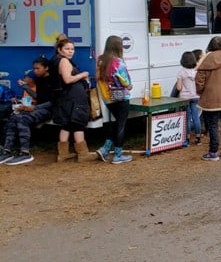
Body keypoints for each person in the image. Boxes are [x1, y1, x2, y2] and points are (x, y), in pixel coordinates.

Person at [0, 58, 53, 165]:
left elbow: (53, 102)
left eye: (38, 68)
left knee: (22, 119)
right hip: (37, 107)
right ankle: (7, 151)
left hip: (48, 110)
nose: (35, 71)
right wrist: (25, 88)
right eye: (34, 69)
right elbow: (38, 97)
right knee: (13, 117)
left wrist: (34, 108)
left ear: (46, 68)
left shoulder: (53, 81)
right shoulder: (40, 80)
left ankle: (25, 153)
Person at [50, 34, 93, 162]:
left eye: (72, 49)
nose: (70, 51)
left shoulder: (54, 60)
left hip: (63, 97)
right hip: (73, 97)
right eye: (67, 49)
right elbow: (67, 79)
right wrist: (83, 75)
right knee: (78, 124)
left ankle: (63, 154)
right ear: (60, 49)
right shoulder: (64, 61)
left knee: (66, 124)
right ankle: (83, 154)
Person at [95, 35, 134, 164]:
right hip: (121, 97)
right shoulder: (118, 62)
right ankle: (117, 155)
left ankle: (105, 149)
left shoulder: (100, 60)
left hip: (107, 98)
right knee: (121, 125)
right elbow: (125, 81)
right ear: (118, 47)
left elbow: (98, 78)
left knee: (118, 123)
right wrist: (129, 85)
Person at [176, 51, 202, 145]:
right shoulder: (196, 72)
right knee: (196, 117)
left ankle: (187, 138)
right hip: (195, 96)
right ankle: (198, 138)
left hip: (185, 98)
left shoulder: (181, 72)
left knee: (187, 117)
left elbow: (178, 87)